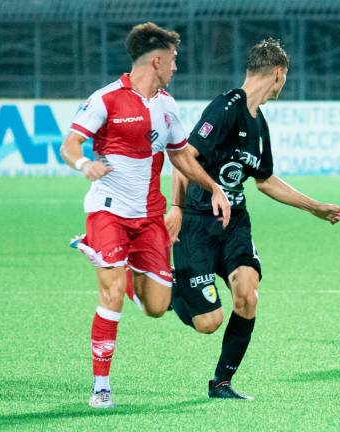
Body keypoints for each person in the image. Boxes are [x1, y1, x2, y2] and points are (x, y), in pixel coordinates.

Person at [59, 22, 231, 409]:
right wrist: (84, 164)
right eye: (173, 60)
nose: (176, 67)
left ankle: (126, 268)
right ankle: (100, 384)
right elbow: (69, 144)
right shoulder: (106, 99)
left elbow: (182, 155)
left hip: (149, 218)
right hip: (108, 212)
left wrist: (215, 188)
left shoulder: (166, 106)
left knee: (156, 307)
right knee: (112, 292)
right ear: (156, 59)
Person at [165, 38, 340, 399]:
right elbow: (184, 157)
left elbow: (264, 181)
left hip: (234, 224)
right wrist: (177, 208)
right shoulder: (225, 107)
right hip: (198, 222)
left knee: (247, 294)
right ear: (278, 75)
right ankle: (173, 288)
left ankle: (222, 383)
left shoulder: (259, 124)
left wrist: (314, 207)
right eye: (285, 79)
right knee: (208, 323)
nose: (284, 85)